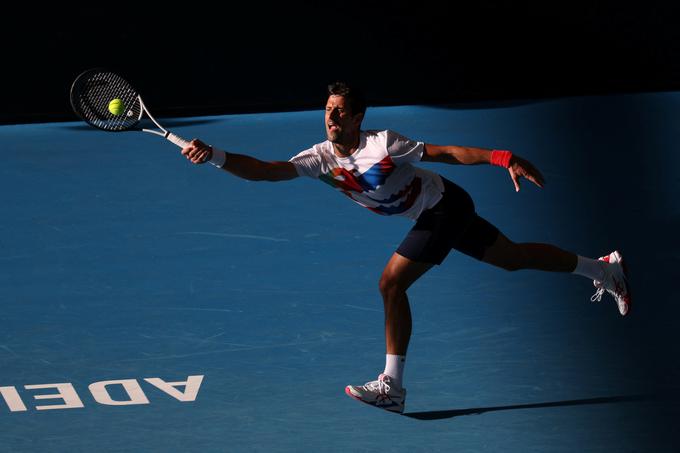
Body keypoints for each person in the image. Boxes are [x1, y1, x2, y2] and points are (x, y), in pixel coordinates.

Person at [180, 81, 631, 414]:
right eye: (328, 110)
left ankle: (392, 388)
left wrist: (503, 157)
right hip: (430, 214)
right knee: (512, 259)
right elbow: (265, 170)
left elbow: (446, 153)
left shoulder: (383, 145)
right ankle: (603, 269)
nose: (331, 118)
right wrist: (216, 156)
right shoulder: (319, 158)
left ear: (358, 118)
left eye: (340, 112)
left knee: (391, 284)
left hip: (444, 207)